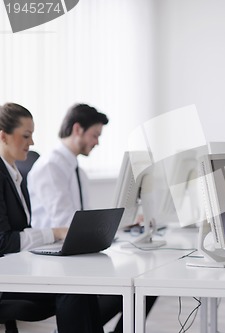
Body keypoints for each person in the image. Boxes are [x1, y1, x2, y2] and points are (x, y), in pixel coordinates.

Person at [28, 103, 155, 332]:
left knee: (146, 285)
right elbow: (66, 224)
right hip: (53, 258)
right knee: (129, 283)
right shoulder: (50, 168)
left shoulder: (77, 171)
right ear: (78, 129)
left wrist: (124, 224)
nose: (97, 142)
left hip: (74, 255)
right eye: (95, 135)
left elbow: (83, 220)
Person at [0, 102, 104, 333]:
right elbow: (3, 241)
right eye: (26, 136)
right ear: (4, 137)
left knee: (81, 284)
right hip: (5, 277)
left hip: (17, 265)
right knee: (73, 286)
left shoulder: (14, 174)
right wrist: (54, 233)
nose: (32, 143)